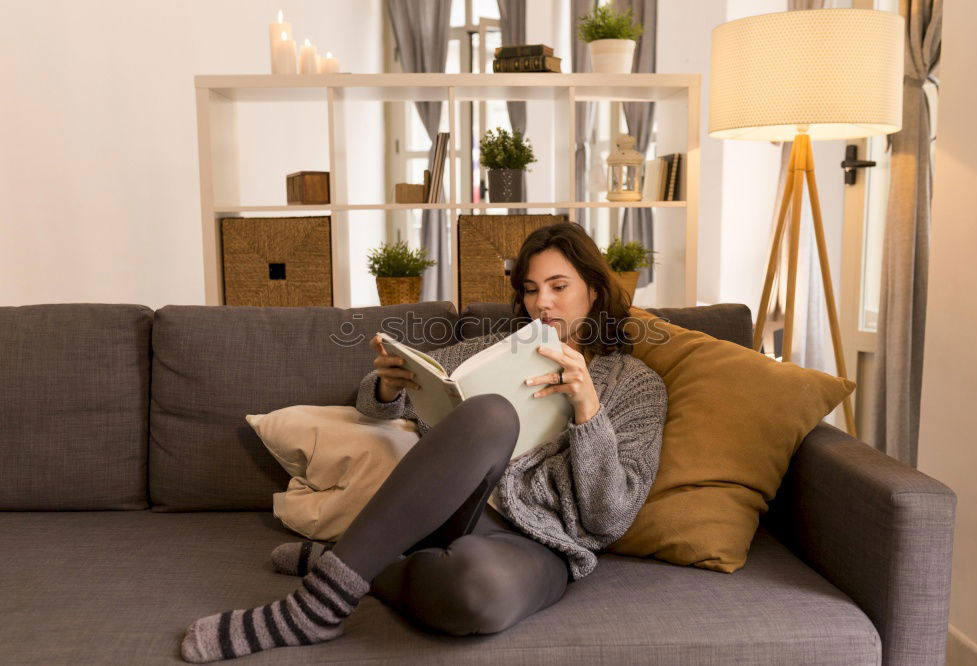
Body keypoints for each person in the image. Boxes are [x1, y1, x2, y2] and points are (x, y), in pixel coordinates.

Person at [180, 222, 668, 663]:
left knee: (478, 598)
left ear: (595, 290)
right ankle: (315, 606)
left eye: (559, 287)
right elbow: (390, 403)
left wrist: (588, 410)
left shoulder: (636, 384)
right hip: (449, 508)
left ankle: (343, 560)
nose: (543, 303)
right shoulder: (492, 351)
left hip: (541, 542)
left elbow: (609, 519)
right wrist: (391, 385)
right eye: (532, 289)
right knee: (491, 413)